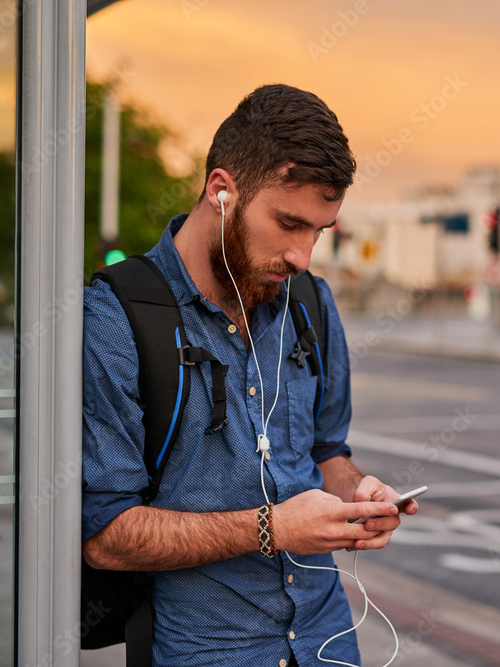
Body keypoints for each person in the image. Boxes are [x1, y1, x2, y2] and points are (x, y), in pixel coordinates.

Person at [81, 84, 415, 666]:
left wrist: (357, 495)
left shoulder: (312, 302)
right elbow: (106, 537)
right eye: (289, 223)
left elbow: (327, 451)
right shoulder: (117, 319)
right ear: (221, 191)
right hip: (206, 648)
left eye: (319, 231)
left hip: (328, 639)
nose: (302, 256)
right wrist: (273, 529)